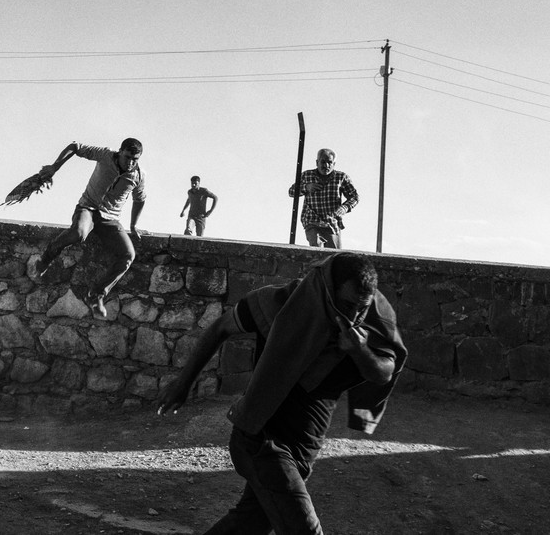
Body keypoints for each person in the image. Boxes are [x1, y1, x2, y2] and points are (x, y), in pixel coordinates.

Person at [156, 253, 407, 534]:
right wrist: (184, 383)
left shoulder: (365, 328)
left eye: (362, 308)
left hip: (303, 450)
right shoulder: (280, 304)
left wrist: (360, 351)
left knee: (250, 523)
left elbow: (385, 371)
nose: (353, 316)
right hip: (261, 441)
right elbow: (221, 327)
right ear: (327, 290)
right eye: (347, 305)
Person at [34, 138, 146, 318]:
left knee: (128, 255)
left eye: (135, 159)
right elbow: (74, 147)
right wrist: (55, 167)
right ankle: (48, 255)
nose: (131, 163)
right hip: (88, 208)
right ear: (120, 152)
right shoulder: (105, 155)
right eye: (127, 157)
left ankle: (96, 295)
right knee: (79, 233)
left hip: (110, 219)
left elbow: (140, 199)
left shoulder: (138, 175)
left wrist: (133, 225)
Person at [289, 148, 359, 249]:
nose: (326, 165)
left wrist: (345, 207)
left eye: (329, 162)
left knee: (334, 255)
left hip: (331, 223)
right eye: (323, 162)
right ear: (317, 162)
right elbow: (291, 192)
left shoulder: (341, 178)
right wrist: (306, 187)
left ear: (334, 164)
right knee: (317, 247)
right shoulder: (307, 176)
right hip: (312, 220)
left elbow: (355, 197)